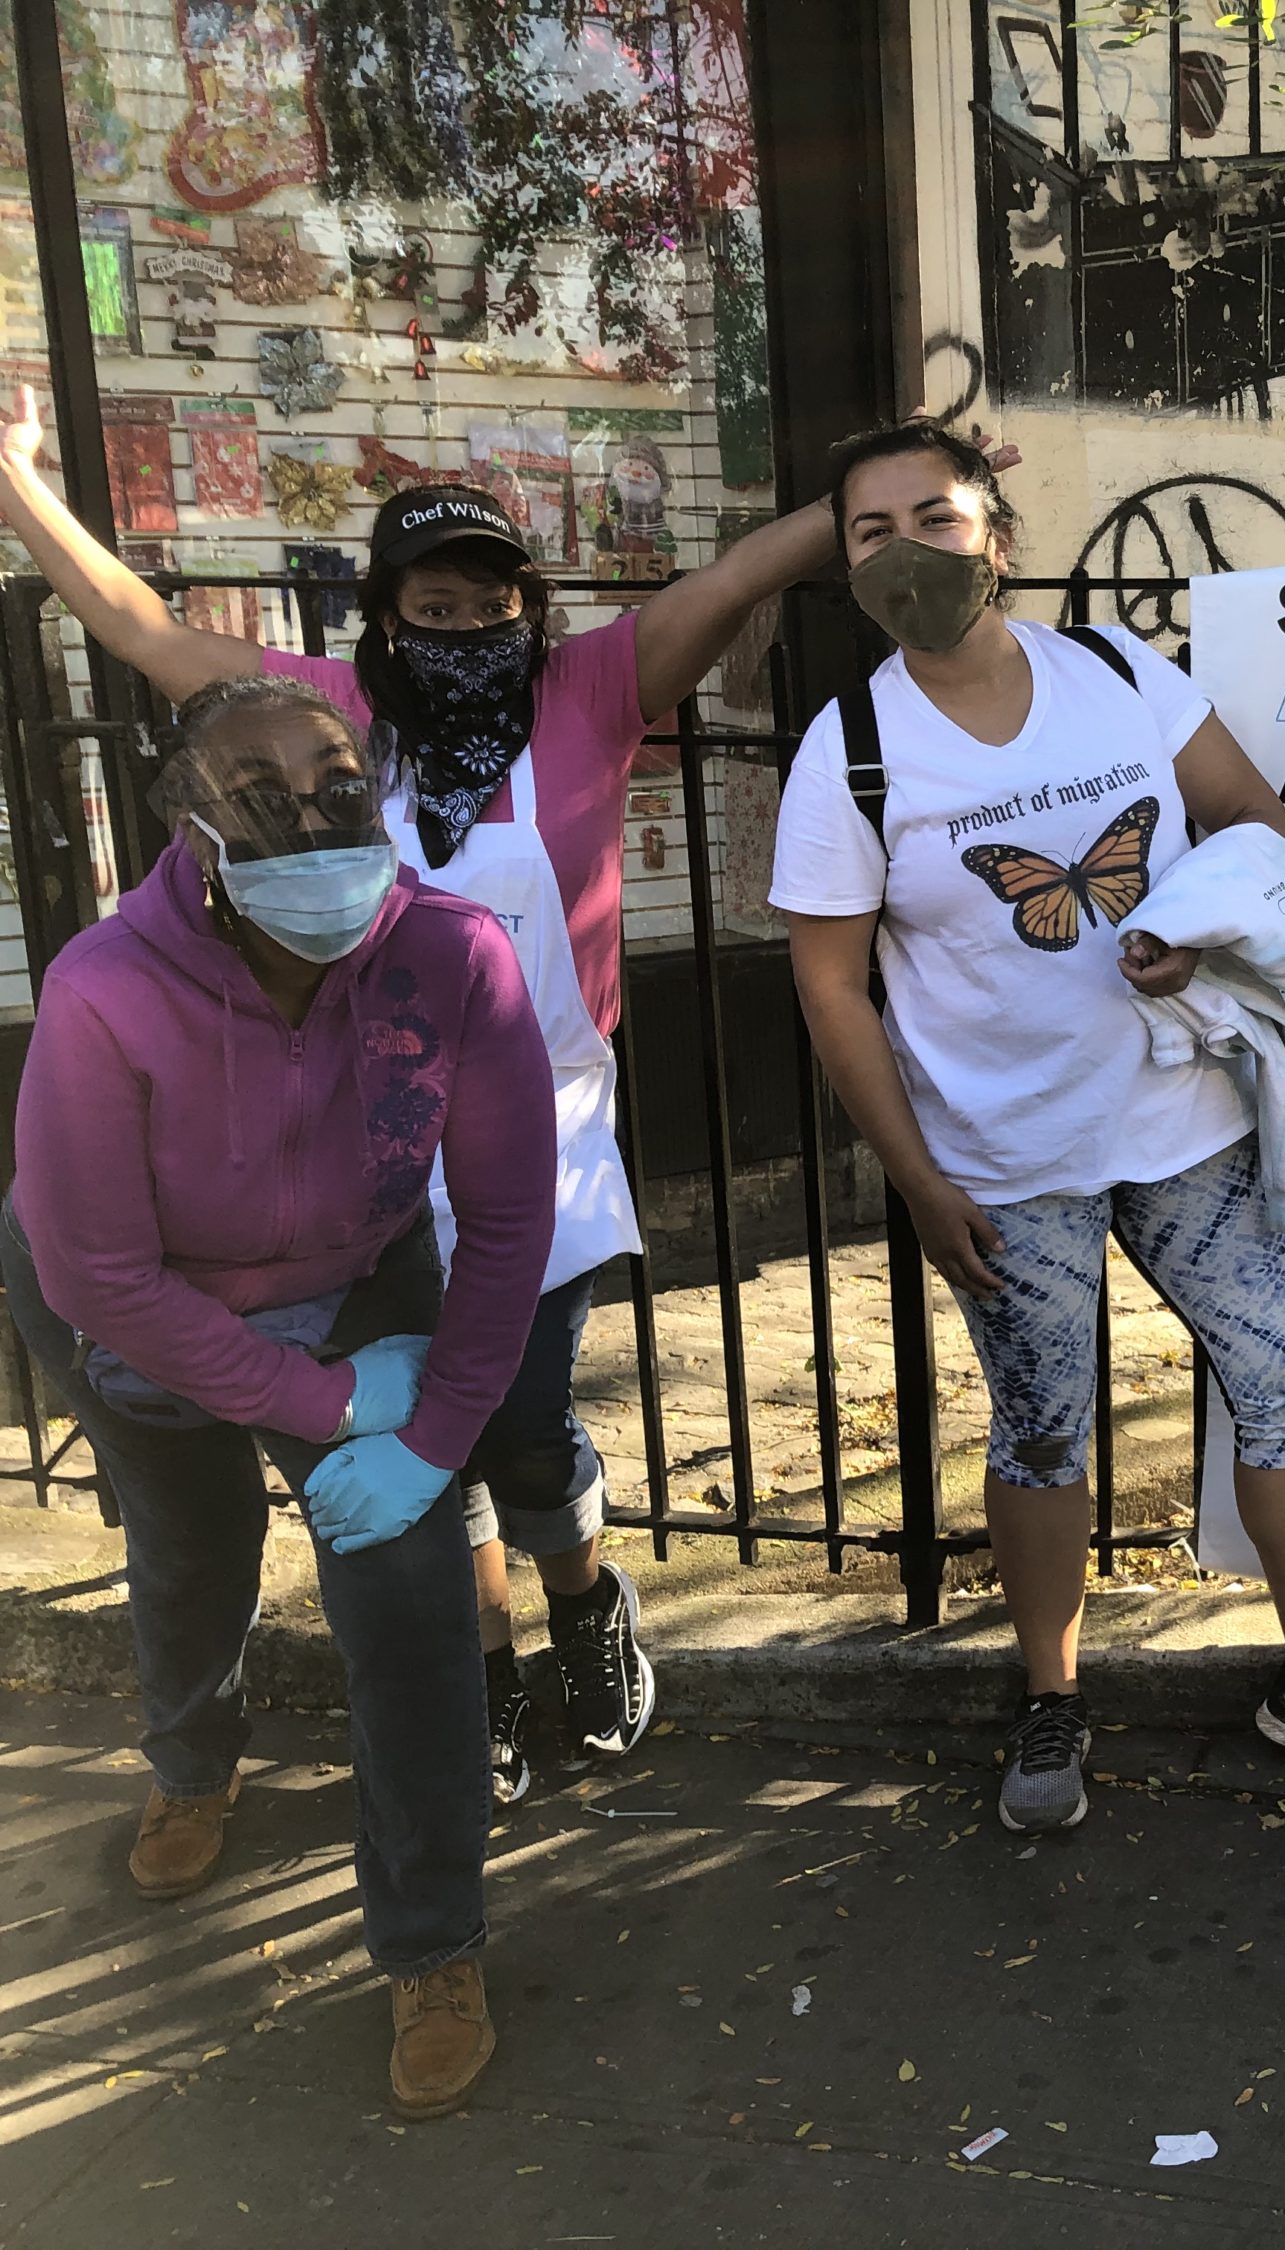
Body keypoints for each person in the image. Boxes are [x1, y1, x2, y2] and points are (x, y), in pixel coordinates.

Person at [0, 385, 842, 1800]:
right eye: (430, 609)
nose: (461, 631)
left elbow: (739, 574)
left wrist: (879, 506)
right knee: (414, 1444)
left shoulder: (590, 693)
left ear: (530, 611)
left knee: (513, 1417)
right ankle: (484, 1677)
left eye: (487, 605)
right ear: (382, 623)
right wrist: (18, 484)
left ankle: (585, 1607)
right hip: (369, 1150)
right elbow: (141, 629)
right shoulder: (319, 718)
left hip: (540, 1135)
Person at [769, 416, 1285, 1833]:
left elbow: (1252, 820)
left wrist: (1194, 938)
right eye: (870, 531)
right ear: (845, 570)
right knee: (1040, 1435)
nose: (907, 551)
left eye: (936, 517)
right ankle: (1051, 1696)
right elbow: (833, 991)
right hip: (1005, 1163)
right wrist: (913, 1177)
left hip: (1188, 1123)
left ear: (997, 535)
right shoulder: (850, 754)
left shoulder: (1116, 670)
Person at [4, 676, 554, 2116]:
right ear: (191, 829)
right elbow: (98, 1273)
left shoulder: (454, 955)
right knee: (193, 1550)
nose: (313, 824)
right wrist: (319, 1405)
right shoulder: (104, 989)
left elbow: (505, 1223)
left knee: (413, 1596)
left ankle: (432, 1941)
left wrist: (430, 1428)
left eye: (337, 790)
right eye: (262, 798)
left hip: (358, 1268)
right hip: (136, 1291)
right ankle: (192, 1759)